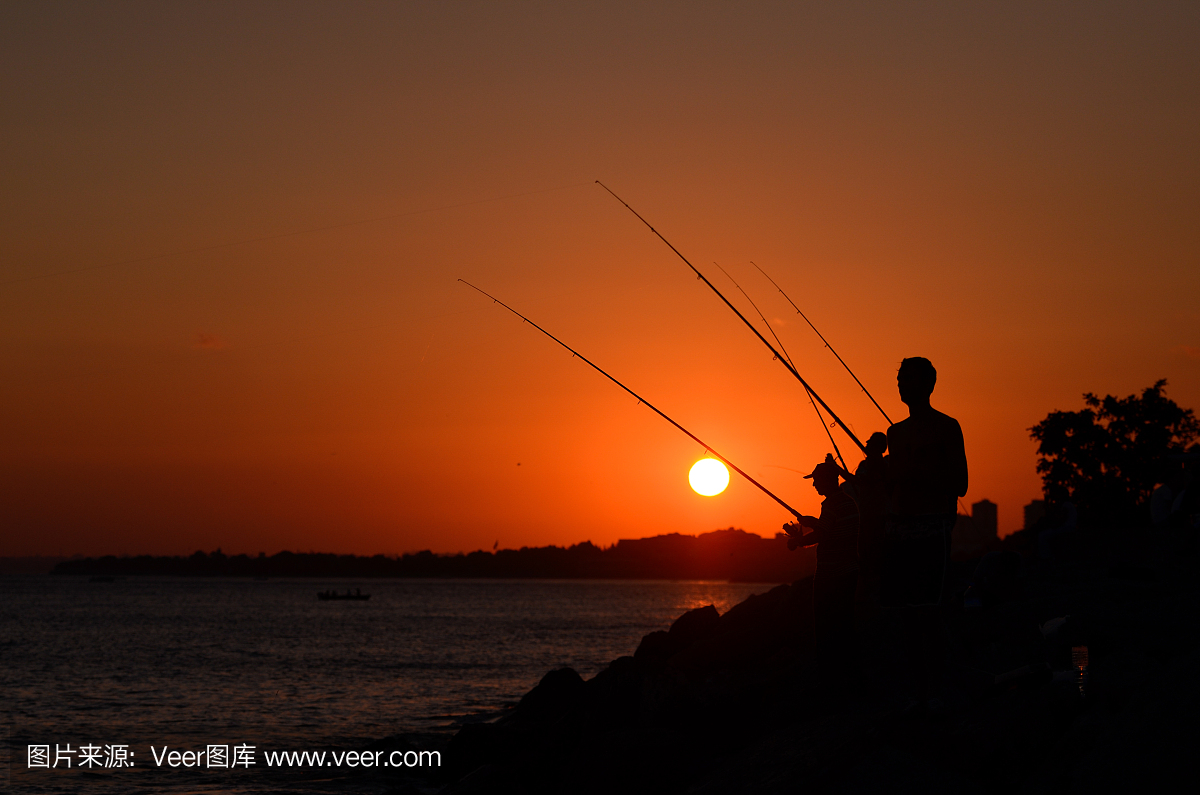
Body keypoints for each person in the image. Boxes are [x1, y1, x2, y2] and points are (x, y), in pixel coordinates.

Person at [882, 357, 967, 706]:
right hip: (899, 533)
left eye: (909, 378)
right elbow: (891, 487)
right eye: (899, 378)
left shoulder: (947, 427)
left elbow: (960, 484)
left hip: (933, 531)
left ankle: (938, 691)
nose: (901, 384)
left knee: (930, 611)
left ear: (929, 384)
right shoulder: (894, 433)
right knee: (905, 616)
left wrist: (915, 471)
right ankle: (915, 693)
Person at [783, 460, 860, 684]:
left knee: (827, 628)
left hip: (831, 577)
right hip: (849, 573)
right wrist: (812, 523)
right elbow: (829, 529)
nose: (814, 485)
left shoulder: (832, 504)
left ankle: (830, 677)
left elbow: (822, 534)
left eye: (816, 480)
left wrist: (798, 541)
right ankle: (847, 673)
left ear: (828, 480)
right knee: (845, 625)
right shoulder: (848, 502)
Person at [830, 432, 889, 609]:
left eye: (870, 442)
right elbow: (856, 482)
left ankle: (874, 595)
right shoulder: (864, 464)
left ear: (879, 447)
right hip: (863, 517)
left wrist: (836, 469)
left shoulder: (884, 465)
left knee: (874, 554)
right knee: (861, 554)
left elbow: (859, 480)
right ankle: (863, 592)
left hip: (878, 517)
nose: (866, 444)